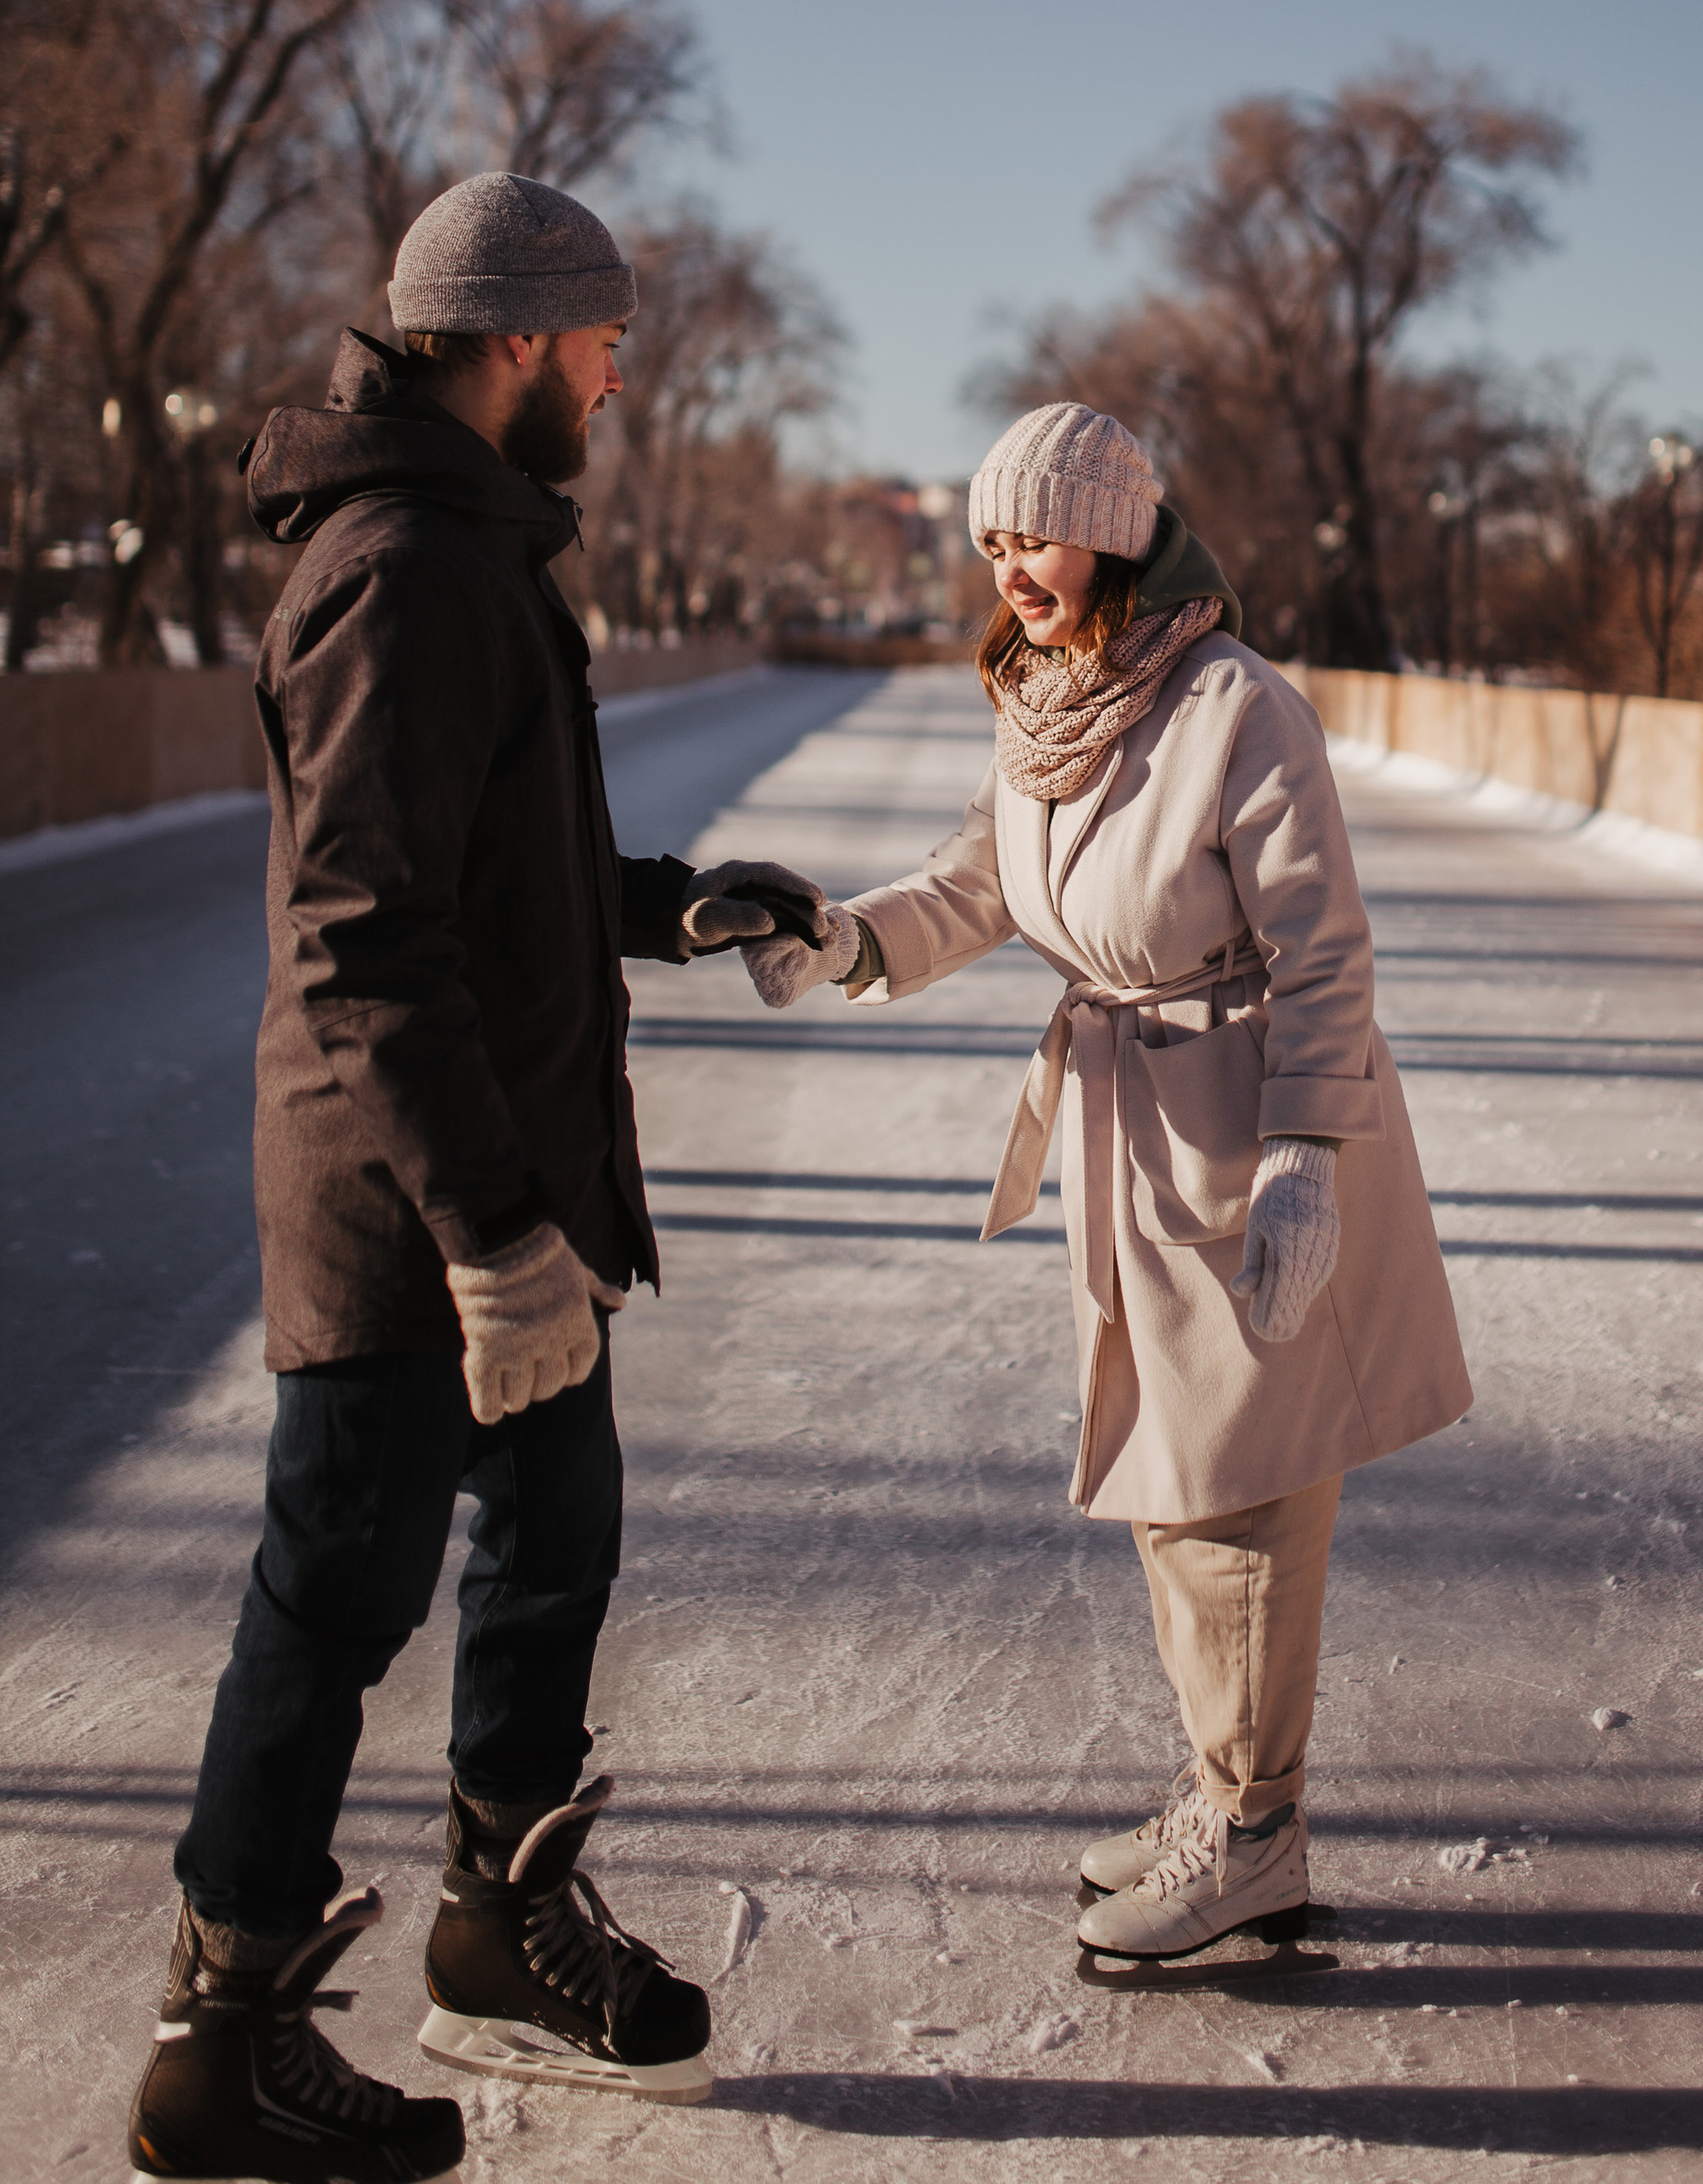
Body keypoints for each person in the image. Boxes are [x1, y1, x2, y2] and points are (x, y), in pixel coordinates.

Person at [129, 173, 822, 2182]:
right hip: (414, 1208)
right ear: (514, 338)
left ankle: (497, 1922)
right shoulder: (407, 570)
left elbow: (492, 878)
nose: (616, 376)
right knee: (331, 1602)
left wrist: (670, 907)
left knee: (552, 1542)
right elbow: (360, 931)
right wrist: (488, 1239)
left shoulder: (475, 551)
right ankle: (219, 2037)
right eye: (601, 341)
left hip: (520, 1188)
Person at [744, 400, 1472, 1966]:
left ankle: (1256, 1832)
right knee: (1168, 1485)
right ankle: (1224, 1785)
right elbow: (979, 883)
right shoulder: (1048, 695)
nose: (1010, 565)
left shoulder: (1235, 708)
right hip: (1131, 1140)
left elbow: (1326, 955)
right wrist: (846, 937)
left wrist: (1303, 1155)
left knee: (1246, 1501)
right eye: (992, 538)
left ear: (1123, 531)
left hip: (1246, 1135)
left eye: (1037, 533)